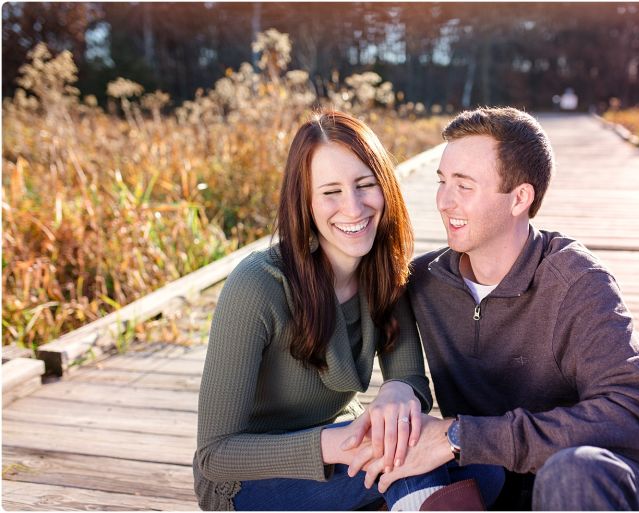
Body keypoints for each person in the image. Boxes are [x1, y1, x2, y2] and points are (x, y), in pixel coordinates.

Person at [352, 107, 639, 510]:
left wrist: (461, 437)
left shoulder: (576, 281)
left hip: (598, 487)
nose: (443, 201)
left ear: (519, 198)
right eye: (442, 181)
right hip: (497, 486)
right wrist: (396, 389)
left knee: (571, 473)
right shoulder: (425, 282)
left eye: (464, 185)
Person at [193, 111, 503, 511]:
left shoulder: (385, 272)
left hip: (343, 448)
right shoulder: (257, 285)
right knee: (401, 460)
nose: (353, 208)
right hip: (247, 480)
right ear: (305, 202)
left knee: (482, 468)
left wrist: (396, 393)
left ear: (385, 187)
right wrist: (337, 443)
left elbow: (409, 376)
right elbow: (215, 455)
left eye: (364, 185)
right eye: (331, 192)